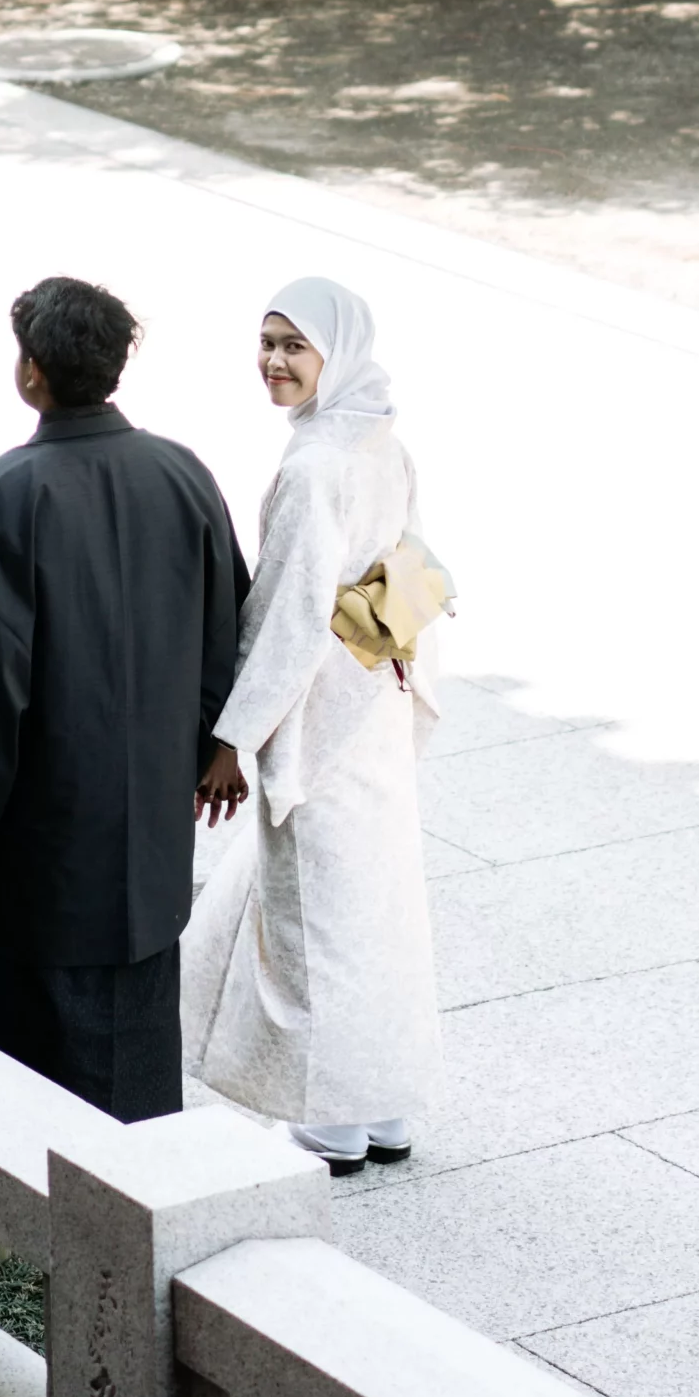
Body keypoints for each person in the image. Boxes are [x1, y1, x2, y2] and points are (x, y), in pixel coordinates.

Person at [0, 275, 248, 1123]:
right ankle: (144, 1173)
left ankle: (32, 1184)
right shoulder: (183, 473)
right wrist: (217, 746)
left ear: (32, 370)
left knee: (32, 1039)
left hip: (45, 810)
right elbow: (227, 624)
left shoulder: (3, 495)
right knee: (136, 1015)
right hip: (151, 808)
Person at [183, 277, 450, 1172]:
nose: (274, 361)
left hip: (320, 711)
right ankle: (386, 1108)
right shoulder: (379, 437)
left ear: (336, 353)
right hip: (376, 686)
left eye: (294, 346)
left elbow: (288, 614)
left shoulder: (311, 467)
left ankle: (330, 1119)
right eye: (266, 342)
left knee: (313, 917)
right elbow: (410, 563)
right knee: (376, 906)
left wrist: (233, 737)